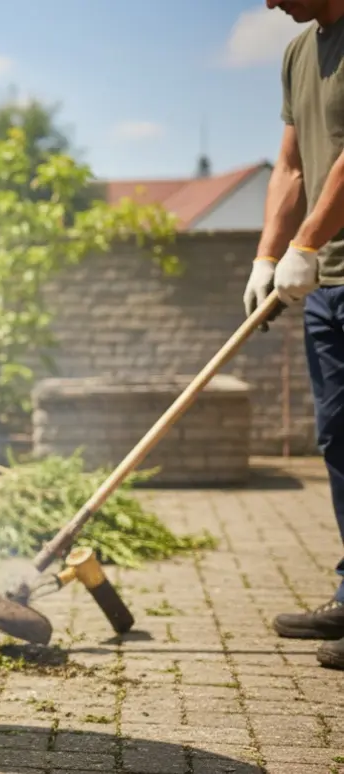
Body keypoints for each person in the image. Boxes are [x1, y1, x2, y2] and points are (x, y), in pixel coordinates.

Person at [246, 0, 344, 670]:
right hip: (327, 288)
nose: (270, 2)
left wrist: (306, 242)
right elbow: (291, 165)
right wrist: (266, 255)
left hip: (326, 262)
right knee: (338, 437)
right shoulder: (298, 53)